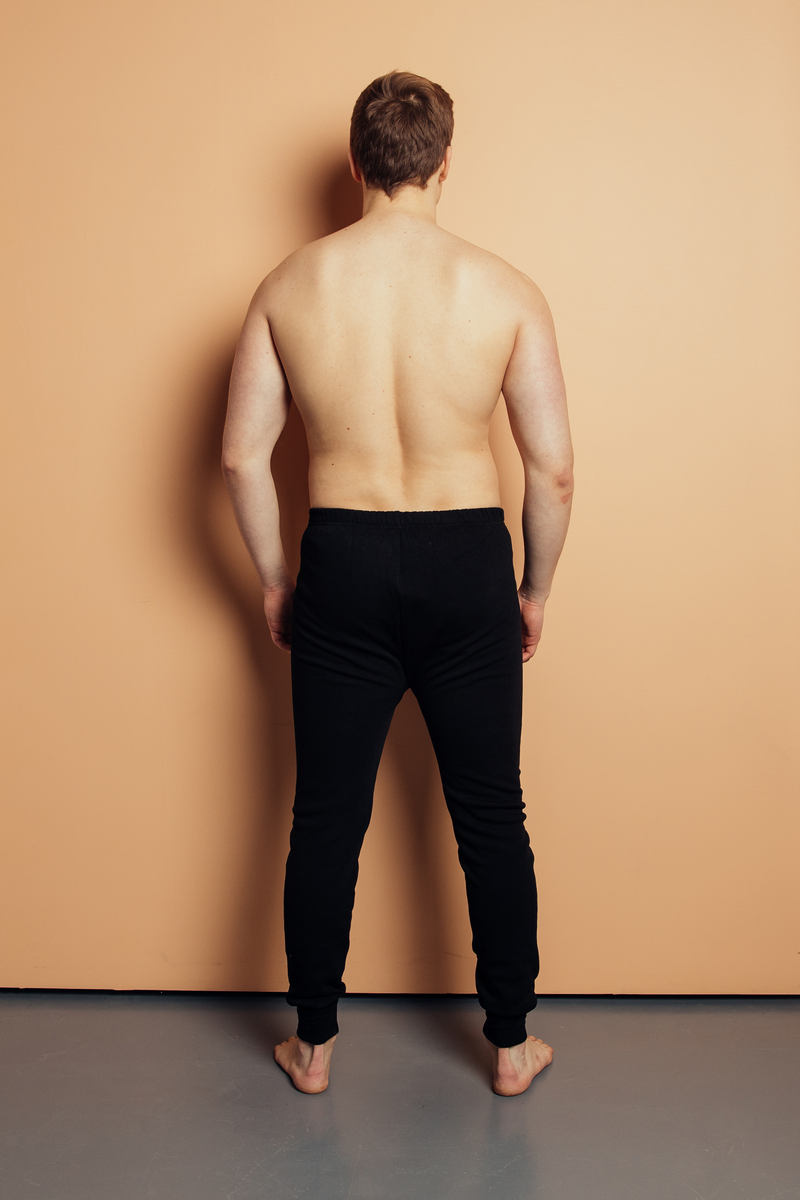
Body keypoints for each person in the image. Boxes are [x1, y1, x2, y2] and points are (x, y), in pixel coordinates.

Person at [222, 71, 573, 1097]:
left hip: (343, 559)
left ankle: (312, 1046)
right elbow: (552, 470)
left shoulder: (289, 285)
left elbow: (242, 456)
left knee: (325, 817)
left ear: (354, 161)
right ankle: (510, 1045)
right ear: (443, 163)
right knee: (491, 815)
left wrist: (276, 581)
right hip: (468, 565)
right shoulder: (504, 289)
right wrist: (533, 590)